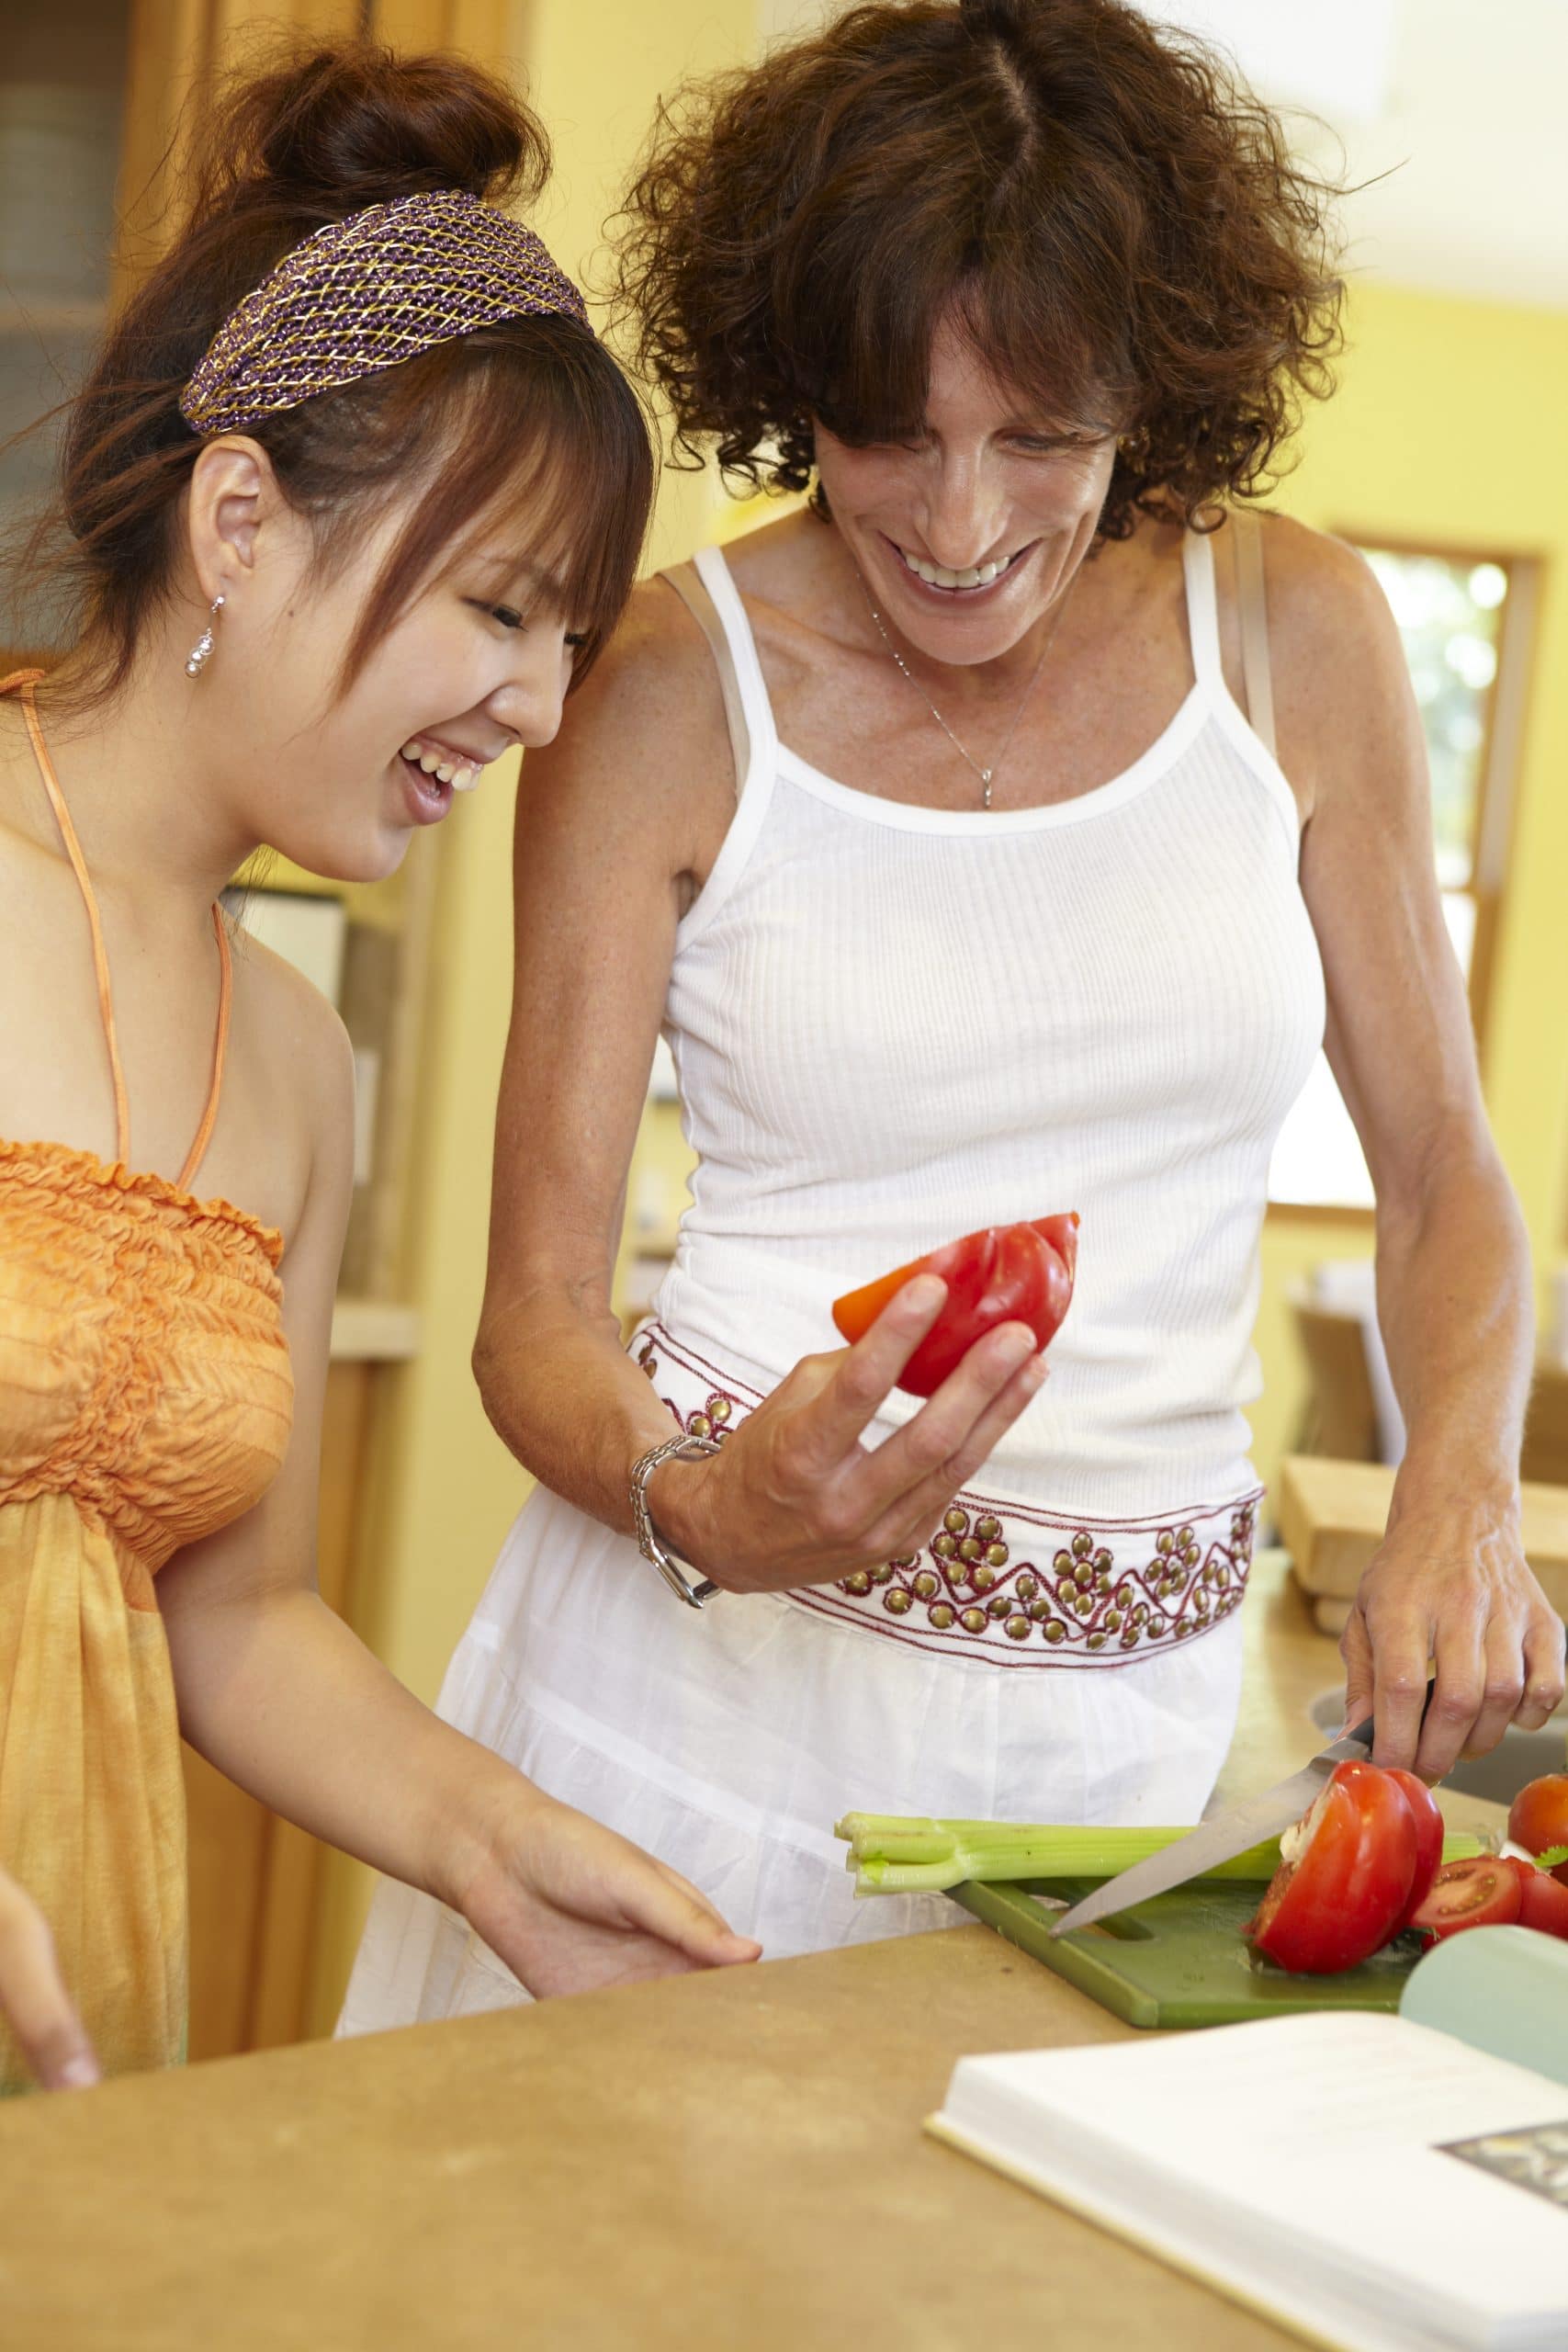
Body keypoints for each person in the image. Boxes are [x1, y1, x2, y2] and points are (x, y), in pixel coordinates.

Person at [341, 0, 1564, 2030]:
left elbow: (1439, 1170)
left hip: (1128, 1769)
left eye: (1042, 436)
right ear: (786, 377)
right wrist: (704, 1501)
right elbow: (533, 1319)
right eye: (884, 429)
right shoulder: (659, 685)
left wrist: (1455, 1478)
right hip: (696, 1718)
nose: (963, 520)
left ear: (1153, 386)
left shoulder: (1299, 638)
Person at [0, 41, 761, 2096]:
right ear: (238, 516)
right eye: (500, 608)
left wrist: (499, 1845)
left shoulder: (303, 1070)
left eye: (571, 641)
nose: (533, 705)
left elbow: (239, 1628)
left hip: (74, 2038)